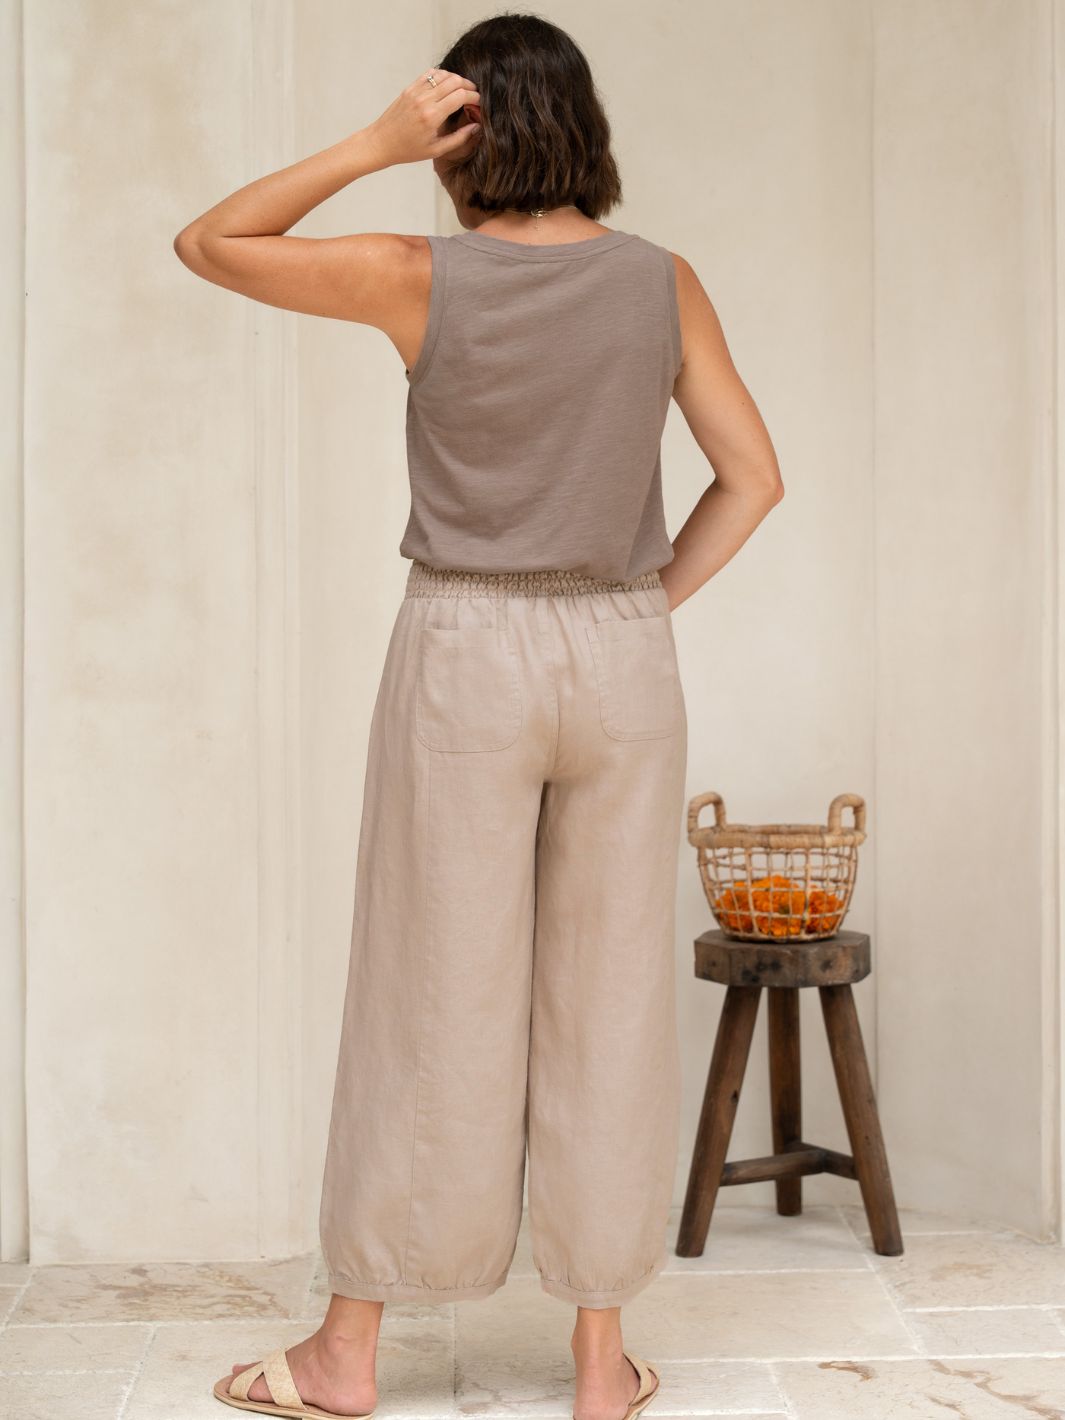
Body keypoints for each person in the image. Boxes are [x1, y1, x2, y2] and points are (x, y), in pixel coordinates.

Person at [174, 14, 782, 1420]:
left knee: (424, 987)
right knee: (611, 990)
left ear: (464, 140)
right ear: (585, 130)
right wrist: (636, 609)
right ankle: (595, 1363)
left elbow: (209, 243)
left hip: (463, 650)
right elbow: (750, 477)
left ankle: (346, 1354)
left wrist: (371, 148)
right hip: (621, 654)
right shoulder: (660, 282)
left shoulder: (412, 277)